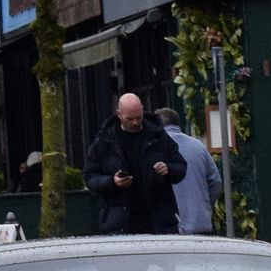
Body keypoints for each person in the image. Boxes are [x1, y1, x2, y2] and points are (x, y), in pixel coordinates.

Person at [83, 93, 185, 235]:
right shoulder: (104, 141)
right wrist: (112, 182)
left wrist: (168, 169)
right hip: (119, 223)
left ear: (143, 109)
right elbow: (89, 176)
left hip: (158, 221)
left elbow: (181, 166)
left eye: (139, 117)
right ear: (119, 114)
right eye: (130, 119)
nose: (136, 122)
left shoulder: (158, 136)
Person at [154, 108, 219, 235]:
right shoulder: (198, 146)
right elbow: (215, 181)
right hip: (199, 226)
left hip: (168, 229)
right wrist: (204, 208)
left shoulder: (154, 147)